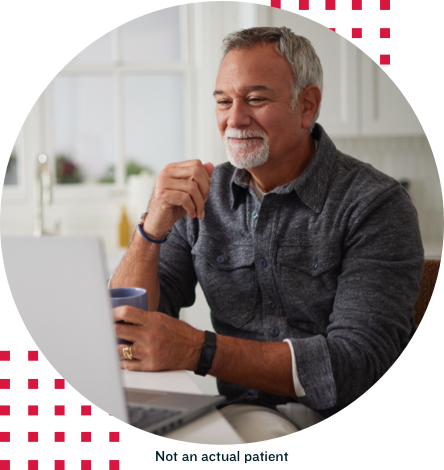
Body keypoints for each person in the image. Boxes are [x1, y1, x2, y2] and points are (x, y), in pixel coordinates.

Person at [109, 27, 424, 442]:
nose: (234, 119)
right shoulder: (201, 195)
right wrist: (151, 229)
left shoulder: (376, 205)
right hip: (244, 416)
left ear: (306, 105)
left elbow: (356, 364)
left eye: (255, 99)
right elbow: (125, 328)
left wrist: (199, 350)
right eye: (223, 101)